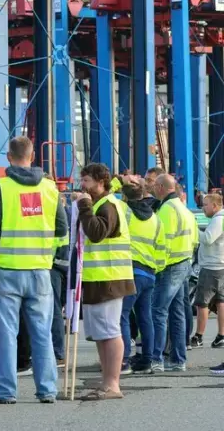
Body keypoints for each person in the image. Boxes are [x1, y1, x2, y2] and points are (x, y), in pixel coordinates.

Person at [0, 136, 67, 405]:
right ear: (33, 156)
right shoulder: (50, 188)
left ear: (9, 157)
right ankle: (47, 390)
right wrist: (47, 254)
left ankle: (6, 391)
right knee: (41, 331)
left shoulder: (2, 188)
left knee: (7, 332)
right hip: (40, 270)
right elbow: (62, 229)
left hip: (7, 269)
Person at [75, 164, 135, 400]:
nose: (83, 185)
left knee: (109, 331)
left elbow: (97, 233)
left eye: (87, 180)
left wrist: (84, 207)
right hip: (98, 276)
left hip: (108, 277)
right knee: (101, 333)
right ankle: (107, 382)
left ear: (101, 182)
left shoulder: (108, 205)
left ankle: (112, 384)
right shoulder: (102, 203)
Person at [152, 174, 196, 372]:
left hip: (169, 266)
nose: (153, 190)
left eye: (154, 186)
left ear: (161, 187)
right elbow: (194, 239)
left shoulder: (167, 210)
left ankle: (156, 359)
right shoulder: (183, 208)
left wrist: (158, 266)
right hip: (184, 262)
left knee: (158, 311)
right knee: (176, 313)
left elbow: (163, 242)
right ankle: (178, 360)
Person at [119, 180, 164, 375]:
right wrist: (156, 269)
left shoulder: (124, 211)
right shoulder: (156, 219)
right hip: (150, 273)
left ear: (126, 197)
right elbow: (162, 249)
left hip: (131, 270)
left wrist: (118, 181)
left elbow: (105, 196)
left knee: (122, 315)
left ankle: (124, 360)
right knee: (145, 317)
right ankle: (147, 359)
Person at [191, 193, 224, 348]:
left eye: (205, 205)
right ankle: (221, 335)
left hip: (211, 267)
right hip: (220, 265)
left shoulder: (218, 220)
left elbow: (208, 239)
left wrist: (194, 230)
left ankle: (198, 336)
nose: (202, 208)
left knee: (202, 303)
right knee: (220, 301)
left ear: (215, 206)